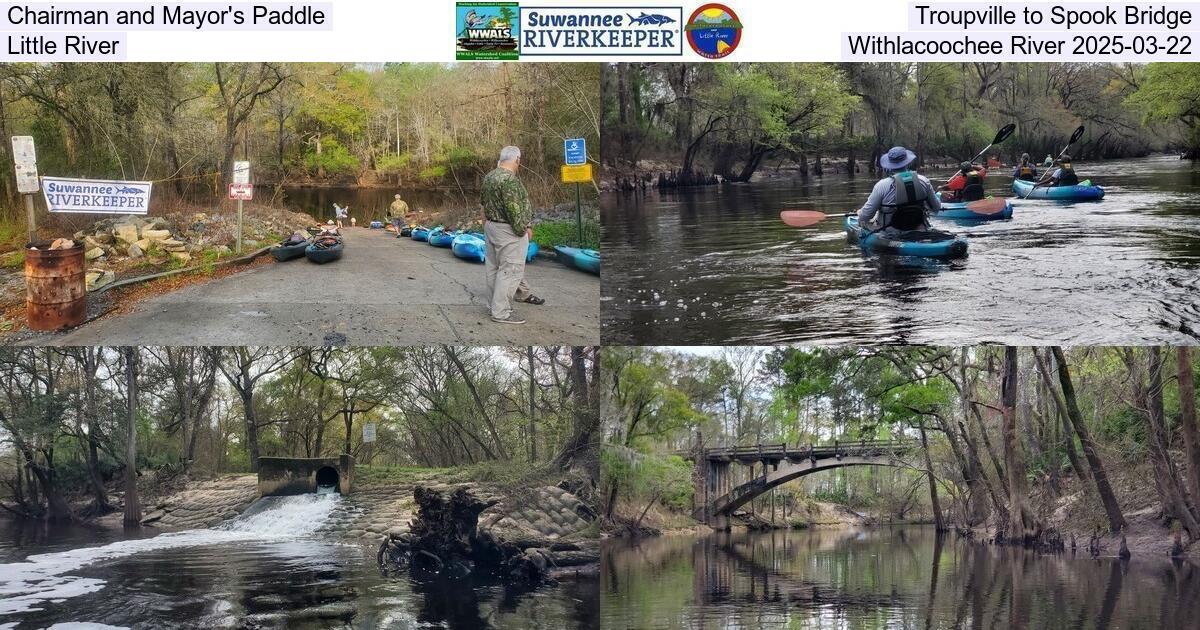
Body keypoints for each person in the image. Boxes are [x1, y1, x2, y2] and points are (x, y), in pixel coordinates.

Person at [481, 145, 543, 325]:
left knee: (493, 268)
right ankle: (501, 312)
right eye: (519, 161)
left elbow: (483, 205)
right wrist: (524, 229)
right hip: (508, 230)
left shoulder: (489, 177)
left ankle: (493, 305)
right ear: (517, 160)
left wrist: (486, 224)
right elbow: (515, 210)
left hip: (491, 226)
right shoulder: (510, 181)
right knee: (510, 270)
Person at [858, 146, 941, 232]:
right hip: (920, 230)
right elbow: (936, 208)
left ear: (890, 165)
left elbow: (865, 217)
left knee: (863, 221)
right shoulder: (924, 181)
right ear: (908, 163)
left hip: (890, 233)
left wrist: (860, 213)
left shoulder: (881, 186)